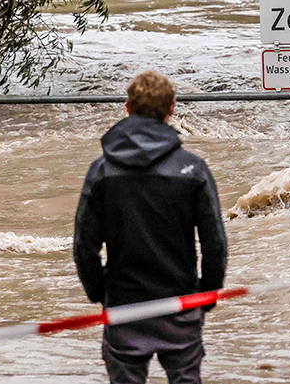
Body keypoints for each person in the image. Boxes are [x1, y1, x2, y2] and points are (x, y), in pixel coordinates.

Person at [74, 71, 227, 384]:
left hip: (124, 305)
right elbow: (215, 245)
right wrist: (206, 296)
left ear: (127, 108)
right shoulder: (192, 168)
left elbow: (84, 247)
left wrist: (100, 293)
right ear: (172, 107)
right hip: (180, 304)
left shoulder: (102, 170)